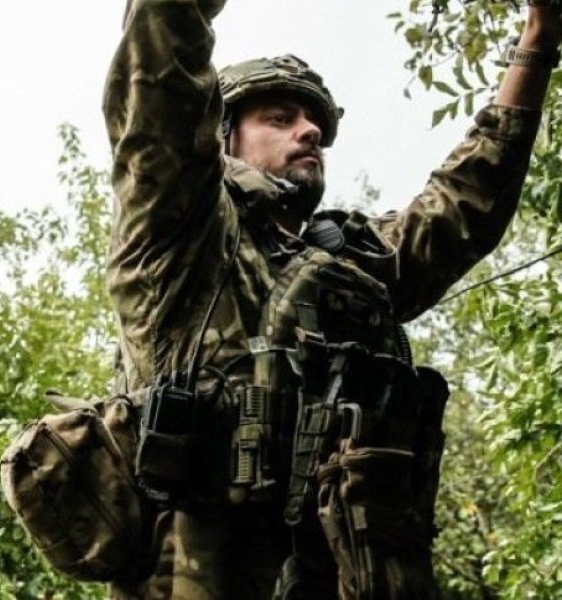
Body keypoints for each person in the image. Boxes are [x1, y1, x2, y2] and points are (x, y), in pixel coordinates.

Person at [102, 1, 561, 598]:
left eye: (314, 122)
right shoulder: (178, 237)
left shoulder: (348, 263)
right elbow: (162, 60)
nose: (310, 131)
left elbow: (466, 202)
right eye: (279, 117)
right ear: (221, 135)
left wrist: (539, 37)